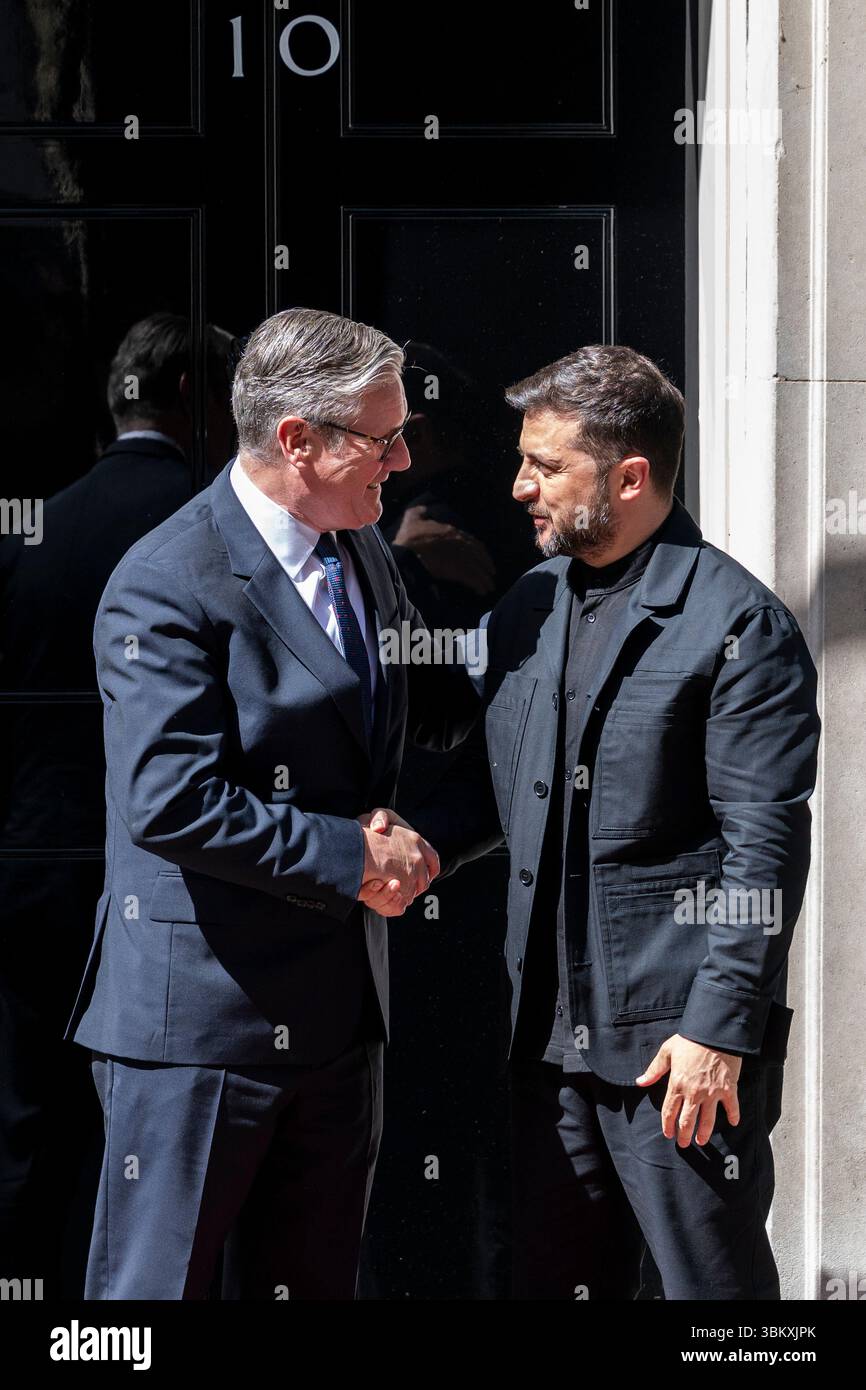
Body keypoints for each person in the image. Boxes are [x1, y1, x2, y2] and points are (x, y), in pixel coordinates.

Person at [368, 344, 820, 1300]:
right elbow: (507, 784)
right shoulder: (533, 603)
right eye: (524, 460)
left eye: (546, 466)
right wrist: (410, 847)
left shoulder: (738, 626)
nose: (520, 486)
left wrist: (719, 1029)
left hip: (676, 1056)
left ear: (630, 475)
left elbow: (764, 853)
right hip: (545, 1046)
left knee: (716, 1297)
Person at [64, 306, 477, 1300]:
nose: (404, 455)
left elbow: (416, 714)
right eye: (382, 439)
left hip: (338, 1022)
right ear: (296, 440)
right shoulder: (165, 581)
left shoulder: (363, 547)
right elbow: (170, 800)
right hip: (200, 1031)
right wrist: (352, 858)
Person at [0, 312, 234, 1297]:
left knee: (24, 1126)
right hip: (171, 888)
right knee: (148, 1137)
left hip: (32, 869)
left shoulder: (35, 529)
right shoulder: (219, 530)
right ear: (192, 397)